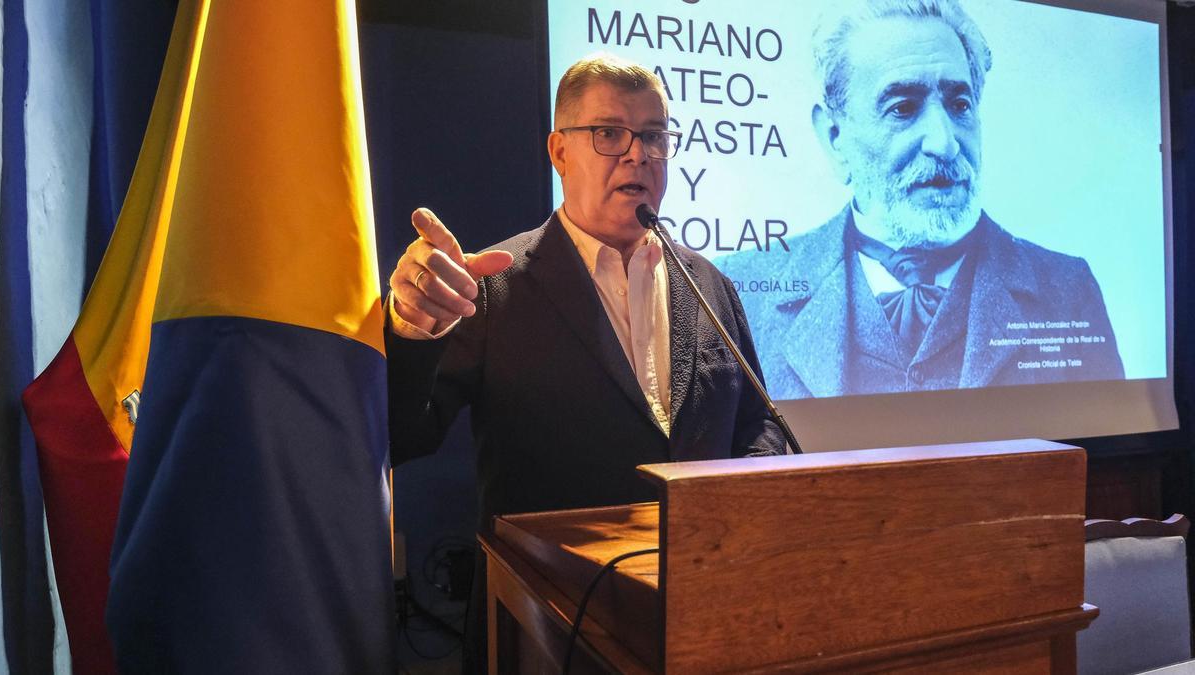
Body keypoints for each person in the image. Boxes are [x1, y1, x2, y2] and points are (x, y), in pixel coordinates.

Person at [385, 53, 786, 668]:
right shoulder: (493, 286)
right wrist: (414, 330)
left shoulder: (710, 284)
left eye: (653, 135)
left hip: (706, 624)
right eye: (608, 133)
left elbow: (756, 426)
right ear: (558, 151)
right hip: (549, 632)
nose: (637, 154)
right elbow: (402, 435)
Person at [717, 0, 1124, 399]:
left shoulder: (1067, 289)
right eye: (903, 108)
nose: (944, 144)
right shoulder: (739, 294)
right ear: (835, 138)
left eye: (959, 105)